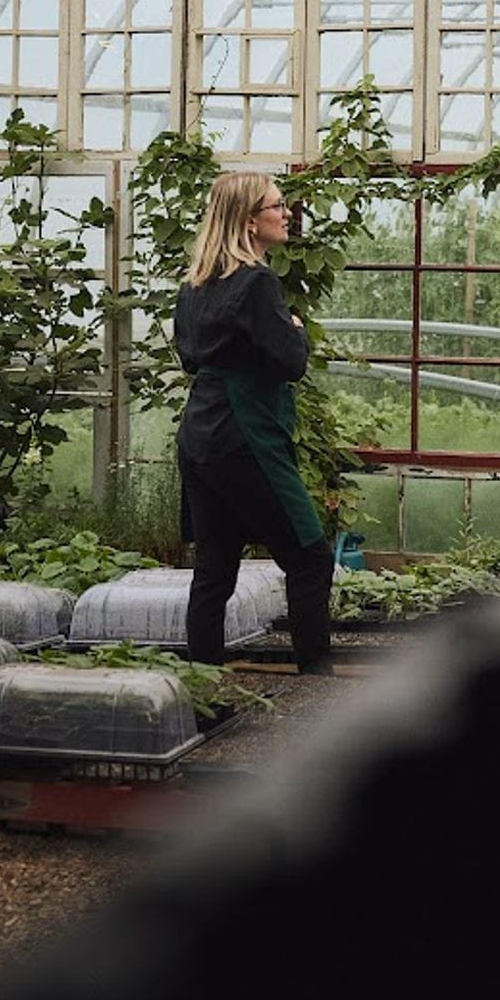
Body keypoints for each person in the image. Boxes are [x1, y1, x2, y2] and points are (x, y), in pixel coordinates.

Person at [174, 171, 334, 678]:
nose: (286, 214)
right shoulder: (258, 282)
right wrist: (296, 332)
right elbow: (290, 363)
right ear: (248, 221)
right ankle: (316, 687)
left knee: (213, 574)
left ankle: (202, 692)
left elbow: (189, 357)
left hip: (200, 434)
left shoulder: (195, 283)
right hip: (246, 436)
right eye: (277, 206)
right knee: (310, 559)